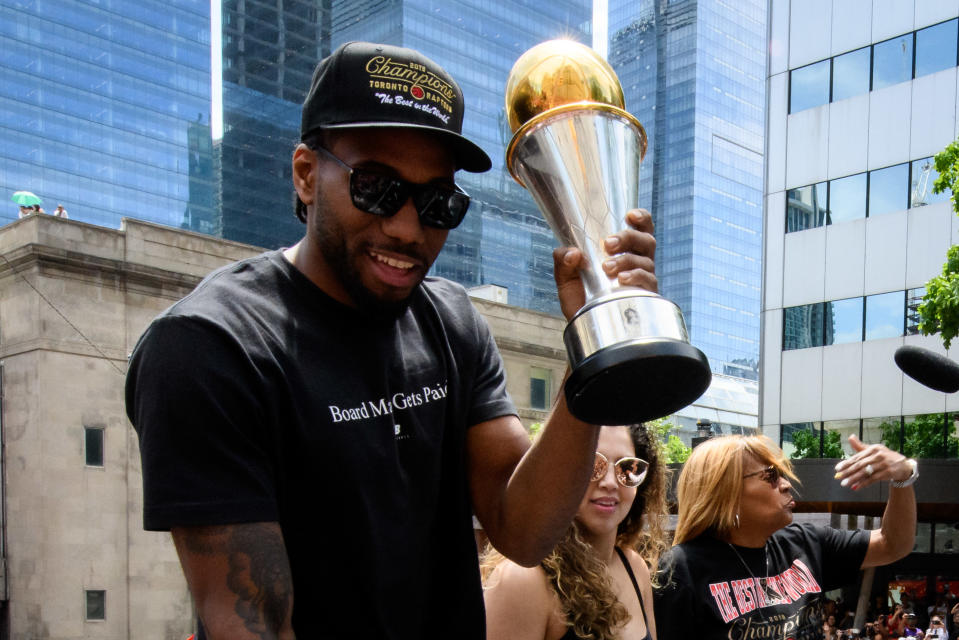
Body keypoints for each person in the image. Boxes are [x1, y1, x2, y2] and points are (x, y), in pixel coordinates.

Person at [125, 41, 659, 640]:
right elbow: (254, 624)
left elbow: (524, 529)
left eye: (438, 203)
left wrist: (593, 340)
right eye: (375, 188)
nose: (407, 228)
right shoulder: (210, 346)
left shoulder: (453, 321)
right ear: (306, 173)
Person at [654, 434, 918, 640]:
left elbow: (893, 544)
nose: (786, 483)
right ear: (726, 492)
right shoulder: (681, 568)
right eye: (770, 476)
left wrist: (903, 476)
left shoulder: (806, 543)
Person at [482, 424, 668, 640]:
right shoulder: (522, 579)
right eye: (591, 464)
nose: (610, 483)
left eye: (628, 468)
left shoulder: (635, 568)